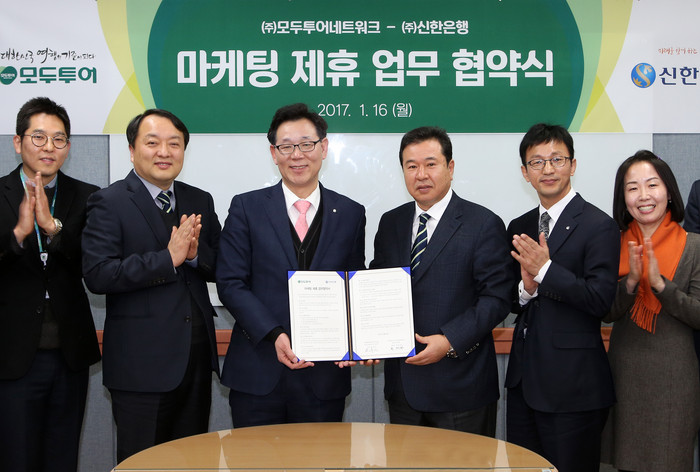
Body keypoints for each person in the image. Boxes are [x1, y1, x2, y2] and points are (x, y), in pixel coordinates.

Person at [81, 109, 221, 462]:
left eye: (174, 144)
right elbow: (98, 274)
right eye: (153, 142)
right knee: (143, 463)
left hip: (195, 360)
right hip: (140, 368)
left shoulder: (199, 199)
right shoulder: (109, 201)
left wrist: (193, 256)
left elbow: (221, 265)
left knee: (193, 462)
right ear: (132, 150)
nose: (164, 152)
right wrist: (167, 259)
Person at [216, 103, 365, 427]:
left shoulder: (351, 213)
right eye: (286, 146)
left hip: (324, 377)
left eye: (307, 144)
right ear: (274, 153)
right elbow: (230, 282)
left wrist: (360, 338)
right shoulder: (246, 207)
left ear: (324, 147)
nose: (297, 155)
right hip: (257, 371)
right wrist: (273, 334)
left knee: (322, 455)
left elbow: (355, 285)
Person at [369, 126, 511, 435]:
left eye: (430, 164)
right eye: (411, 166)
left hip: (461, 387)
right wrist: (367, 338)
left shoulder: (483, 223)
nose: (421, 175)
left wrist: (449, 341)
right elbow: (377, 287)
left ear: (450, 167)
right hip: (403, 390)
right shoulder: (391, 223)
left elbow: (497, 298)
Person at [505, 123, 619, 472]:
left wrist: (546, 270)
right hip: (524, 383)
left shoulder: (599, 225)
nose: (548, 169)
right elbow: (512, 300)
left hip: (574, 388)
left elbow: (600, 301)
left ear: (573, 165)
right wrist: (527, 288)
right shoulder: (519, 226)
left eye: (557, 159)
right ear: (525, 172)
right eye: (537, 162)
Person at [0, 97, 100, 472]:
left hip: (69, 353)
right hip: (10, 354)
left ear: (68, 148)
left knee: (62, 458)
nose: (49, 147)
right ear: (18, 142)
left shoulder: (89, 197)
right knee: (16, 458)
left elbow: (93, 266)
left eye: (59, 139)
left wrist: (52, 228)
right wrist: (18, 235)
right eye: (38, 137)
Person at [601, 151, 700, 472]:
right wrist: (631, 282)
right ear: (623, 199)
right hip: (624, 375)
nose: (643, 195)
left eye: (652, 185)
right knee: (624, 463)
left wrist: (659, 285)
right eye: (632, 188)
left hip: (675, 380)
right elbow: (606, 312)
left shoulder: (694, 245)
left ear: (669, 192)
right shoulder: (612, 244)